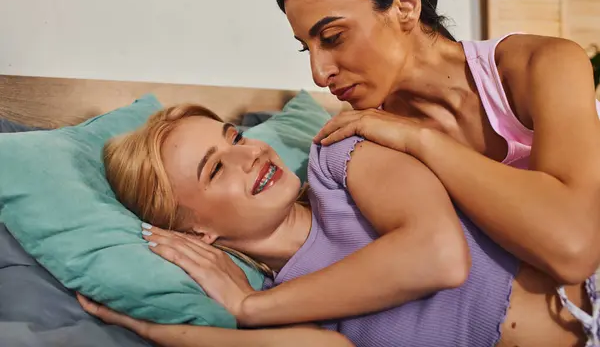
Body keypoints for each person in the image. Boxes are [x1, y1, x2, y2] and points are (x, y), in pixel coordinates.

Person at [276, 0, 600, 343]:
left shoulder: (542, 65)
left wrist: (421, 139)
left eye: (333, 37)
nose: (319, 72)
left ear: (405, 9)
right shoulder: (369, 146)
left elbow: (573, 247)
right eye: (306, 48)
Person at [80, 103, 589, 347]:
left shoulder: (339, 159)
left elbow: (438, 255)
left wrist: (251, 306)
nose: (249, 156)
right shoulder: (287, 313)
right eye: (214, 169)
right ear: (196, 233)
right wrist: (144, 327)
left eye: (234, 137)